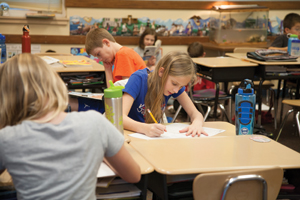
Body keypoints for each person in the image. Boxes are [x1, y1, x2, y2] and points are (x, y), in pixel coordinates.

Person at [0, 53, 141, 200]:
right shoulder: (95, 123)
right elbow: (134, 175)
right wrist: (103, 152)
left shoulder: (6, 138)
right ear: (54, 83)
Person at [122, 51, 208, 137]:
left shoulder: (174, 87)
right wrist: (145, 128)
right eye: (174, 83)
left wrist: (197, 123)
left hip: (153, 139)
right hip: (131, 137)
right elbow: (120, 118)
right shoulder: (138, 79)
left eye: (181, 86)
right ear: (161, 72)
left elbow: (196, 113)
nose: (176, 90)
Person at [69, 28, 146, 112]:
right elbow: (112, 90)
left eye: (98, 54)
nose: (100, 59)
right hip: (126, 104)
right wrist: (108, 69)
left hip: (131, 107)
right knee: (75, 100)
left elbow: (126, 92)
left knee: (74, 103)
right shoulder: (121, 55)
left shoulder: (123, 55)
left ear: (106, 42)